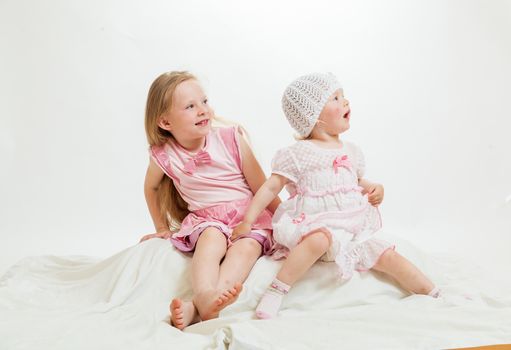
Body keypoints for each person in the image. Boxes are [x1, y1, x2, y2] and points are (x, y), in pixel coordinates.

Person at [232, 73, 439, 319]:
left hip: (350, 229)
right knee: (318, 240)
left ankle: (432, 292)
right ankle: (277, 290)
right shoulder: (299, 153)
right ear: (314, 117)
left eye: (344, 96)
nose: (346, 102)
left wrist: (374, 188)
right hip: (316, 224)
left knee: (388, 255)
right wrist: (248, 219)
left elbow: (356, 182)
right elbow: (270, 187)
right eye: (336, 98)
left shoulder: (351, 151)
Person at [140, 71, 280, 329]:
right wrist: (160, 227)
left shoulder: (230, 138)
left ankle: (203, 304)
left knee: (246, 249)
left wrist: (286, 221)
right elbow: (152, 188)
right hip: (207, 219)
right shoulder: (165, 155)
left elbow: (261, 186)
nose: (203, 110)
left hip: (249, 217)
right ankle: (204, 293)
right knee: (210, 240)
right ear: (165, 122)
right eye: (190, 106)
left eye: (204, 101)